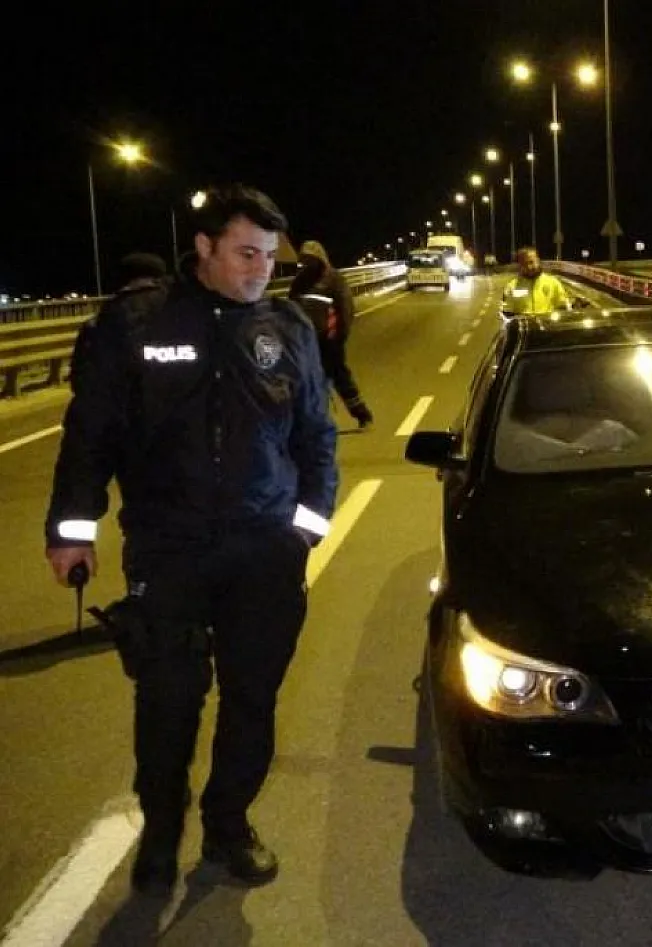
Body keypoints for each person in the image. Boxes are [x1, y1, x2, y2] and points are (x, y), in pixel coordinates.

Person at [44, 185, 339, 896]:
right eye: (245, 253)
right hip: (168, 546)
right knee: (169, 697)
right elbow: (91, 435)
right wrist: (70, 530)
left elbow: (317, 439)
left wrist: (305, 529)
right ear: (203, 248)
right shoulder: (137, 323)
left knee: (252, 697)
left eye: (269, 256)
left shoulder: (289, 328)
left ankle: (228, 825)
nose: (260, 269)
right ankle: (162, 829)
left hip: (263, 549)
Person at [291, 240, 374, 429]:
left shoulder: (334, 280)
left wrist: (339, 337)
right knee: (306, 380)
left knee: (340, 378)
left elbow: (345, 309)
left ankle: (362, 414)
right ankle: (310, 420)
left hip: (329, 341)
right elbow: (291, 308)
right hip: (305, 341)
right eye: (305, 260)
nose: (308, 264)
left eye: (311, 259)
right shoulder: (300, 281)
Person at [500, 246, 573, 315]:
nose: (529, 267)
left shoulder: (553, 283)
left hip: (548, 327)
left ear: (538, 261)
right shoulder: (511, 287)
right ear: (520, 265)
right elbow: (507, 312)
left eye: (531, 262)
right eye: (524, 264)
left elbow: (564, 307)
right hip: (524, 327)